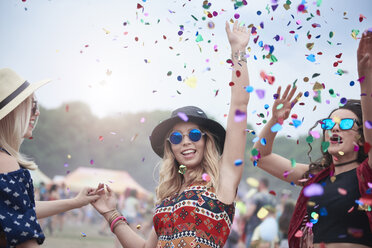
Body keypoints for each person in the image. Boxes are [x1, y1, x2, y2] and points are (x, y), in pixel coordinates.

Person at [90, 20, 251, 248]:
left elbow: (239, 107)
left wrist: (238, 52)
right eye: (176, 137)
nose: (186, 141)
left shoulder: (223, 180)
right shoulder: (169, 195)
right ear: (171, 148)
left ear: (206, 140)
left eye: (194, 134)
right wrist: (111, 214)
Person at [251, 30, 372, 247]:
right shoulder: (317, 177)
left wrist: (366, 81)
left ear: (362, 138)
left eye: (345, 124)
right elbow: (260, 156)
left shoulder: (367, 174)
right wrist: (274, 122)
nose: (334, 129)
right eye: (328, 124)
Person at [0, 68, 100, 247]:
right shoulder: (5, 163)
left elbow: (23, 209)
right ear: (14, 112)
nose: (37, 113)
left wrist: (76, 202)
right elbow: (25, 239)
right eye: (32, 106)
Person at [243, 178, 276, 247]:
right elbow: (273, 216)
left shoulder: (257, 197)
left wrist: (242, 216)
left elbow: (249, 213)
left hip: (254, 229)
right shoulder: (272, 199)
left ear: (262, 184)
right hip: (266, 230)